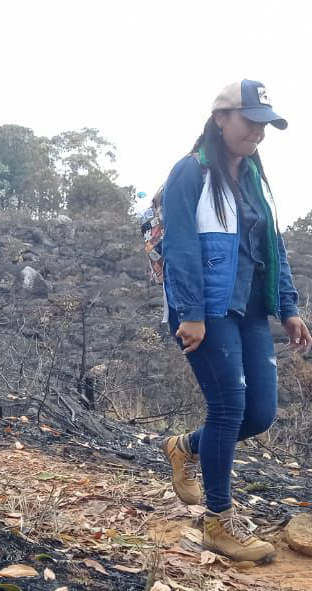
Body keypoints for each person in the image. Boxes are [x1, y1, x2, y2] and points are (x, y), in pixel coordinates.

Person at [160, 80, 311, 563]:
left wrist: (287, 307)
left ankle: (185, 447)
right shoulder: (191, 172)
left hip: (249, 309)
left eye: (264, 123)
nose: (258, 132)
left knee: (260, 413)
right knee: (227, 408)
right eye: (250, 121)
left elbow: (274, 249)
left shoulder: (252, 180)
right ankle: (218, 523)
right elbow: (179, 246)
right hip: (207, 311)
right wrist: (191, 314)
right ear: (220, 118)